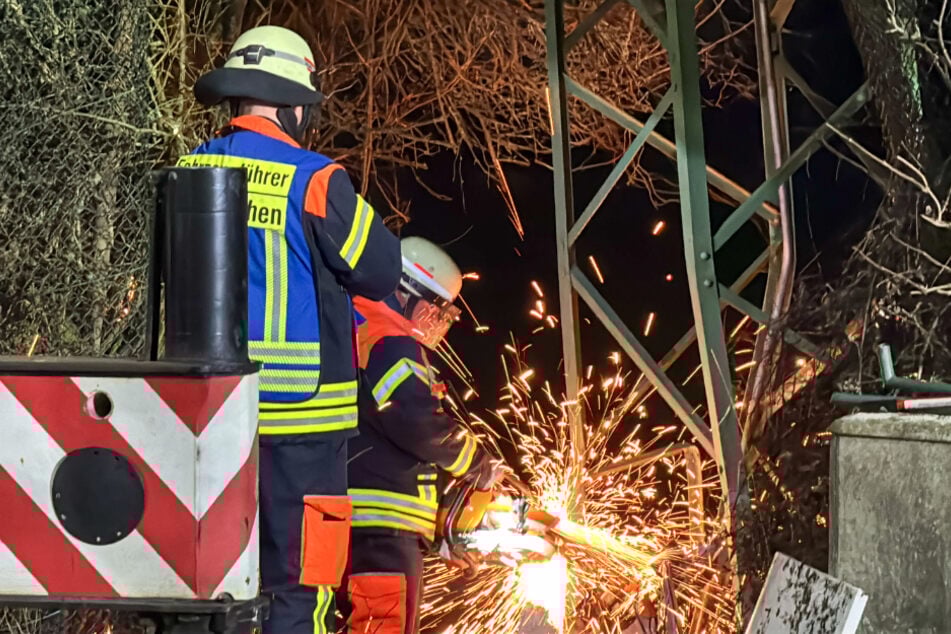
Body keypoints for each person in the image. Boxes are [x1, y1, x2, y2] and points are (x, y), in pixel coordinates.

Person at [178, 25, 401, 634]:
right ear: (293, 107)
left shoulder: (189, 170)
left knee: (204, 591)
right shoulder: (316, 180)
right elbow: (382, 272)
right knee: (301, 591)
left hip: (204, 425)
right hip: (302, 438)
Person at [338, 237, 497, 634]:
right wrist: (478, 465)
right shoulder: (391, 343)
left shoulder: (355, 327)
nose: (437, 325)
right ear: (407, 296)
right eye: (436, 312)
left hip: (357, 528)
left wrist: (442, 531)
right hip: (382, 535)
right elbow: (419, 425)